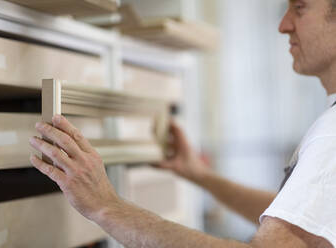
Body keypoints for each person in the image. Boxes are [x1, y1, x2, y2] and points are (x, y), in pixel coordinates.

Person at [29, 0, 336, 247]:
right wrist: (200, 175)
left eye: (300, 8)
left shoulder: (330, 135)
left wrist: (105, 206)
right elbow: (299, 219)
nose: (283, 25)